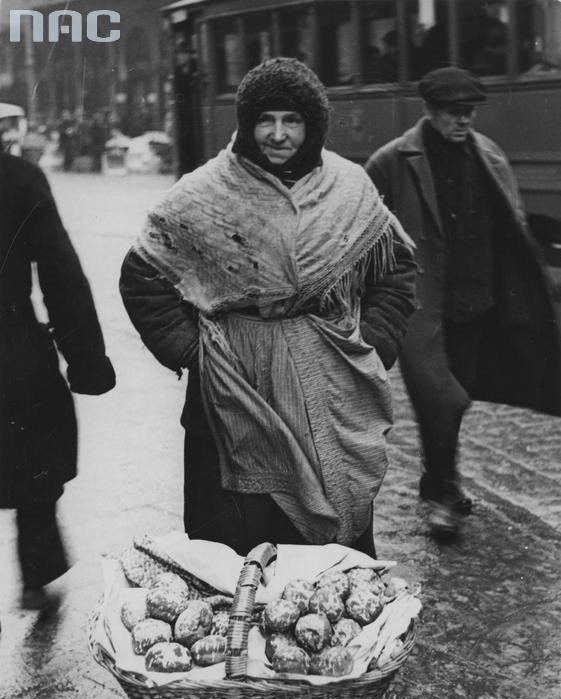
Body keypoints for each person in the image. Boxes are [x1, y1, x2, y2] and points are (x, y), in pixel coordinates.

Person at [120, 57, 417, 558]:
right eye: (265, 120)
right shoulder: (204, 192)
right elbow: (142, 275)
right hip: (233, 380)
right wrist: (195, 354)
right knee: (237, 533)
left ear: (313, 126)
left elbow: (395, 270)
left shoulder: (349, 188)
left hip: (330, 375)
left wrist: (373, 345)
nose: (278, 135)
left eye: (292, 120)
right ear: (246, 124)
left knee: (331, 533)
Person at [365, 66, 561, 539]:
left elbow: (512, 223)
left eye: (469, 111)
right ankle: (445, 496)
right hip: (425, 310)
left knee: (456, 398)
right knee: (440, 400)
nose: (463, 120)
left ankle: (437, 480)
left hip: (479, 304)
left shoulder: (487, 155)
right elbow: (366, 232)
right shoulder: (392, 161)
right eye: (453, 112)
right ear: (429, 110)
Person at [0, 152, 116, 609]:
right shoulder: (17, 177)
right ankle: (39, 568)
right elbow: (60, 273)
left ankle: (41, 568)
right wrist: (86, 359)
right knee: (33, 463)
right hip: (12, 347)